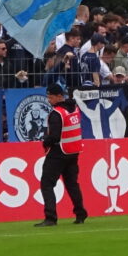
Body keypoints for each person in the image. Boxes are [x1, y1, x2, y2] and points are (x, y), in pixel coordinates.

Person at [35, 80, 87, 227]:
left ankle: (51, 217)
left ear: (59, 96)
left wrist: (45, 141)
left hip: (58, 153)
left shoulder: (56, 113)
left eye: (50, 97)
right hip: (74, 151)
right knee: (72, 184)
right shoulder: (75, 108)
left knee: (46, 183)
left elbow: (55, 136)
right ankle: (80, 213)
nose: (49, 100)